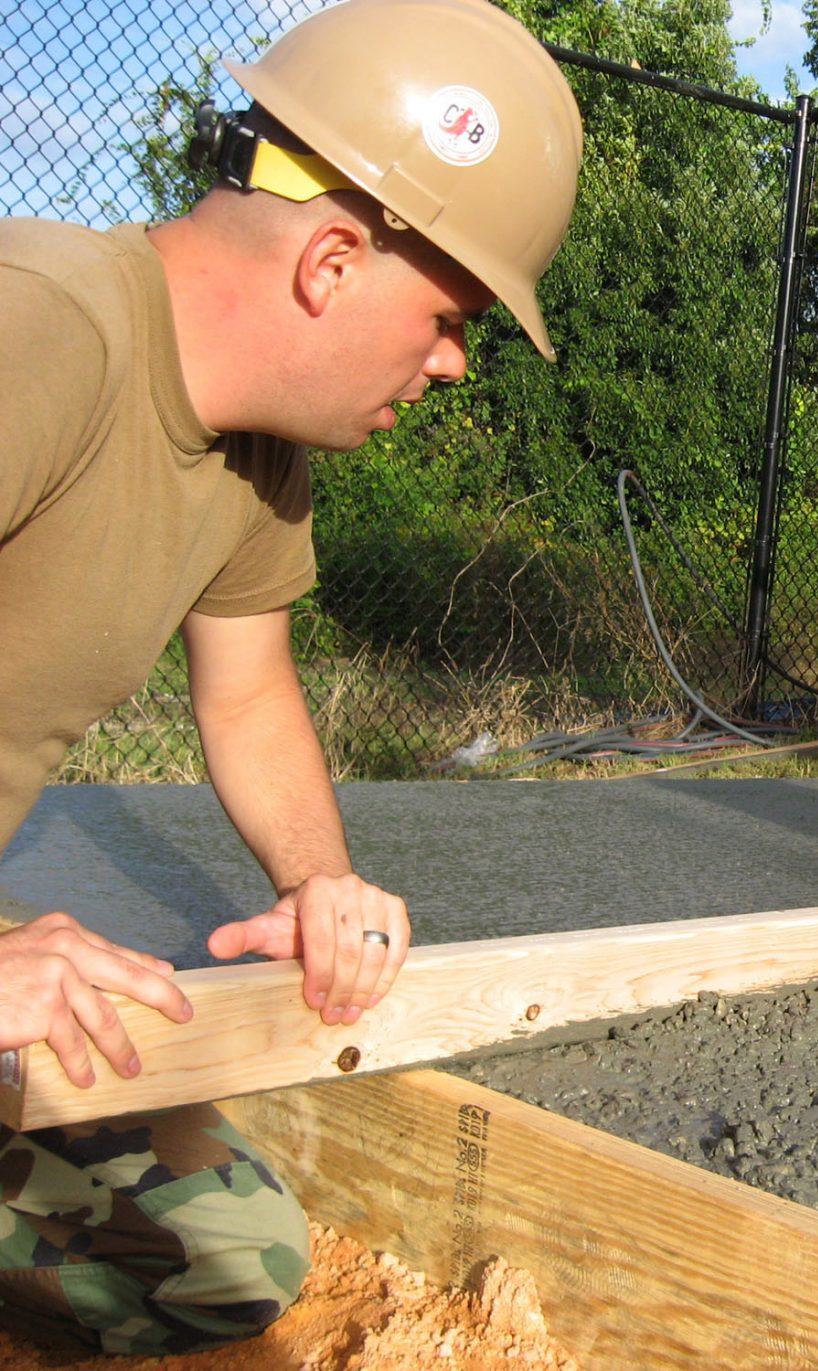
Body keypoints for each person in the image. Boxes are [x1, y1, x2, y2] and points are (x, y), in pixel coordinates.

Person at [0, 0, 581, 1352]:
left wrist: (318, 881)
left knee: (225, 1252)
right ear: (330, 261)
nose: (451, 364)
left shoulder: (260, 455)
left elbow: (248, 693)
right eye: (449, 318)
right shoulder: (42, 328)